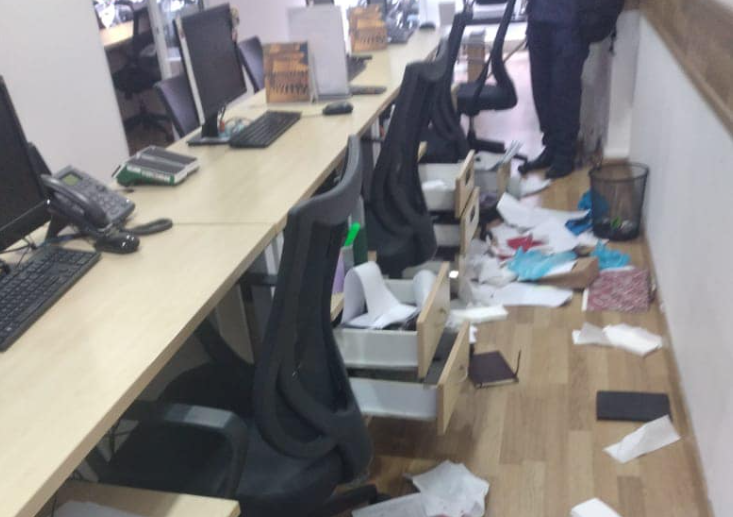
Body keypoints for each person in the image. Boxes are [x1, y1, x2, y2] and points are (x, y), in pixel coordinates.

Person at [519, 0, 590, 179]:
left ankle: (565, 155)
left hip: (569, 24)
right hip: (538, 18)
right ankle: (551, 148)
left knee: (564, 92)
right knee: (541, 90)